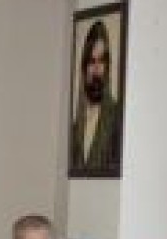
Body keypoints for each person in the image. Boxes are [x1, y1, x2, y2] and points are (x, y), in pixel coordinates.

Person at [69, 19, 122, 173]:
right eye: (92, 61)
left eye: (101, 61)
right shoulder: (75, 125)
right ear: (84, 68)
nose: (97, 68)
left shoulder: (116, 117)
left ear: (107, 65)